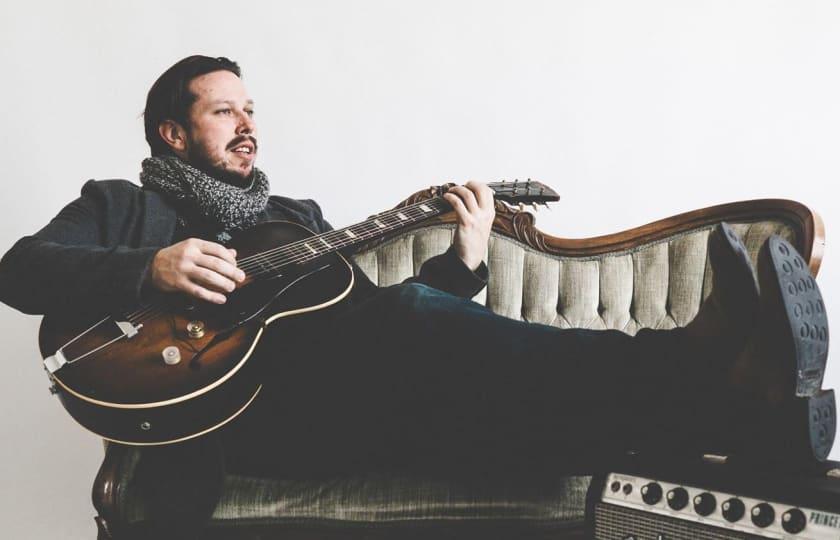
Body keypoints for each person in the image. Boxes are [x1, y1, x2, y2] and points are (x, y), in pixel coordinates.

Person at [0, 55, 831, 539]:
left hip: (347, 403)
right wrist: (149, 270)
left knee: (482, 405)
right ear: (172, 134)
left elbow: (370, 326)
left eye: (251, 109)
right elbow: (21, 269)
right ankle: (700, 359)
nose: (248, 124)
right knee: (416, 330)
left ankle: (749, 414)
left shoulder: (295, 222)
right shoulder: (124, 205)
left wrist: (466, 258)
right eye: (224, 111)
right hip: (245, 427)